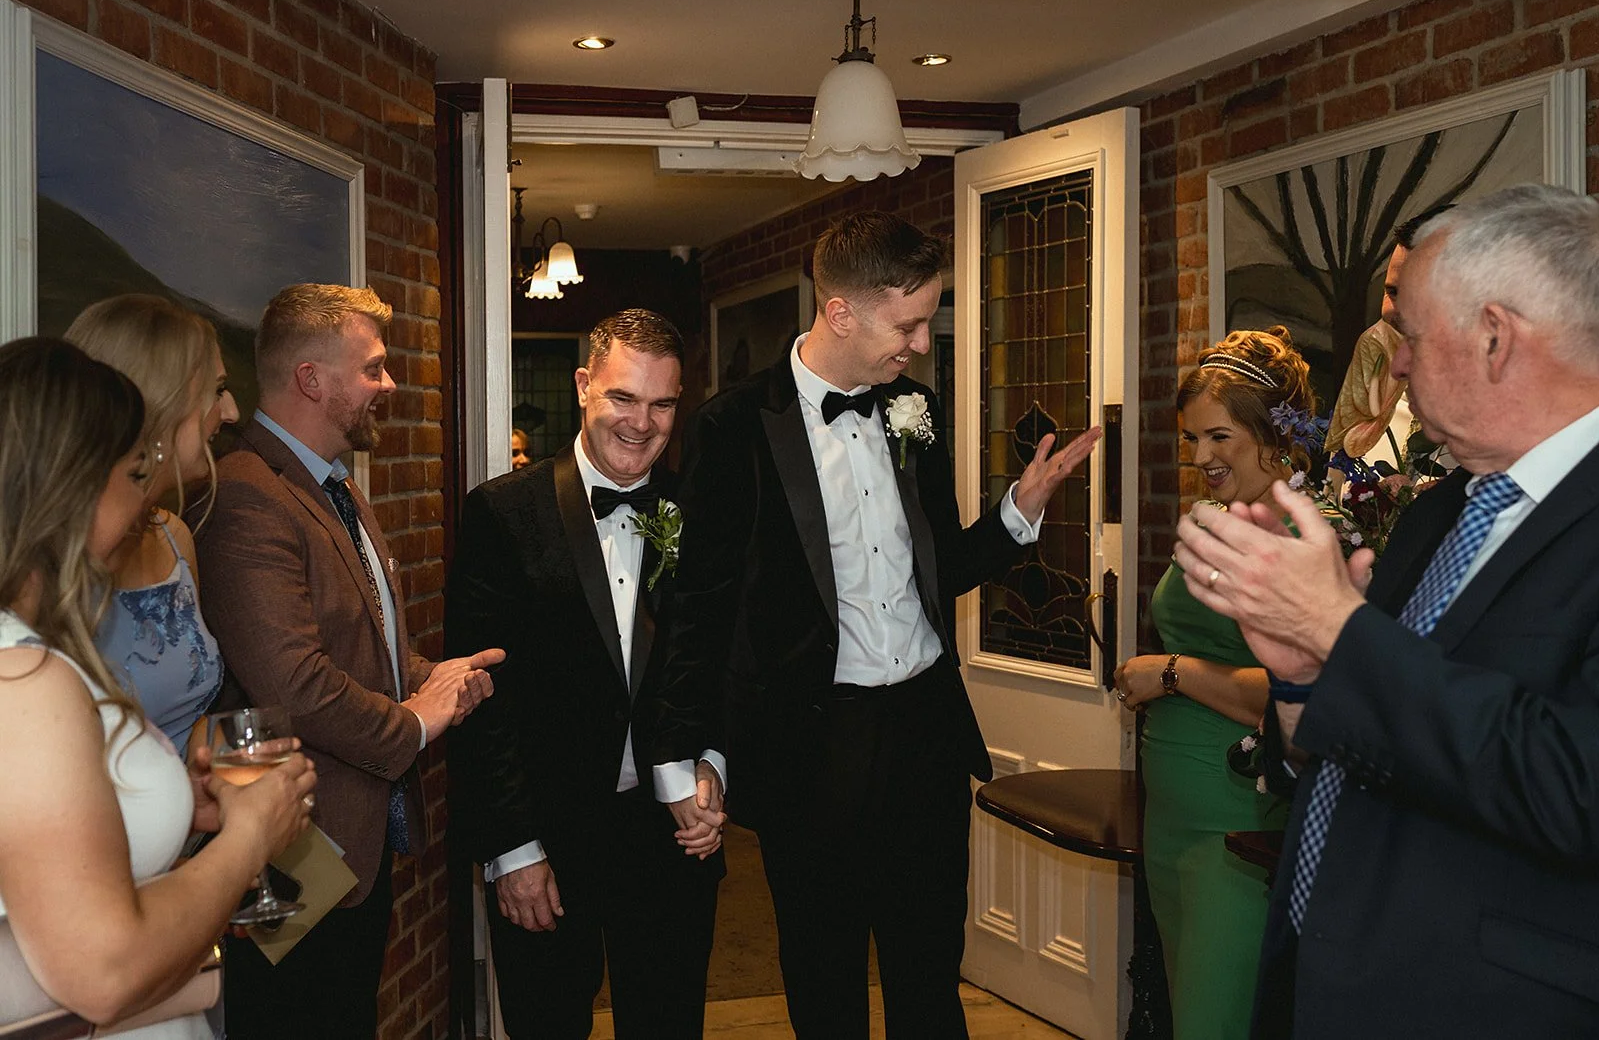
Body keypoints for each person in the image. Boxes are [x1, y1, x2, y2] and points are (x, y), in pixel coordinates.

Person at [653, 211, 1101, 1038]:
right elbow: (702, 610)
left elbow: (938, 575)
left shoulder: (915, 412)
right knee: (825, 984)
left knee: (930, 974)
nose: (923, 343)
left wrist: (1017, 514)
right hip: (812, 747)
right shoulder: (732, 427)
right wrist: (692, 752)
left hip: (925, 735)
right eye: (910, 322)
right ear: (841, 312)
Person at [1174, 184, 1599, 1037]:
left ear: (1493, 337)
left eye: (1406, 336)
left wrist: (1338, 630)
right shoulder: (1442, 511)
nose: (1393, 366)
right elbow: (1369, 736)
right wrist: (1299, 678)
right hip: (1324, 980)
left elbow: (1575, 785)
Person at [195, 284, 504, 1039]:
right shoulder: (247, 495)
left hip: (352, 853)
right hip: (290, 850)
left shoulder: (336, 486)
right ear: (312, 379)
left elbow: (364, 645)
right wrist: (414, 722)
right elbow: (293, 683)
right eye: (374, 368)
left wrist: (433, 675)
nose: (390, 385)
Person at [0, 336, 315, 1038]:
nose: (145, 490)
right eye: (133, 470)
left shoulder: (33, 648)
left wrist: (185, 806)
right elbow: (106, 971)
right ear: (74, 484)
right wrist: (249, 839)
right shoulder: (26, 678)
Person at [447, 309, 724, 1039]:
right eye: (622, 397)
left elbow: (716, 664)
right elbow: (482, 702)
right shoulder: (502, 513)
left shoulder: (697, 513)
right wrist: (512, 851)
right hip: (548, 841)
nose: (642, 422)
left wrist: (713, 768)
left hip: (668, 841)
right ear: (582, 385)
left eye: (662, 402)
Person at [1112, 328, 1309, 1038]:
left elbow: (1295, 695)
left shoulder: (1299, 534)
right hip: (1173, 822)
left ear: (1270, 431)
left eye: (1219, 436)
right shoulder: (1219, 520)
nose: (1201, 457)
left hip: (1237, 828)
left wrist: (1169, 673)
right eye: (1193, 438)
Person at [64, 295, 238, 754]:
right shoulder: (58, 561)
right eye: (217, 391)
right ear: (163, 402)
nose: (233, 411)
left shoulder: (174, 536)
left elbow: (189, 708)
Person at [1325, 206, 1454, 473]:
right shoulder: (1370, 409)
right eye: (1392, 292)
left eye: (1414, 294)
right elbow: (1333, 500)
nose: (1391, 311)